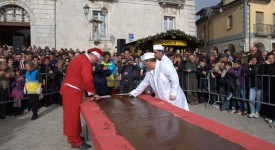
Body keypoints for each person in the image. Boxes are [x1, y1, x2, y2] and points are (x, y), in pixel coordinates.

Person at [60, 47, 102, 149]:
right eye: (97, 60)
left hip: (72, 90)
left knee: (72, 115)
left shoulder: (81, 58)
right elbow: (87, 79)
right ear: (94, 56)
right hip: (72, 91)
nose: (96, 62)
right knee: (72, 116)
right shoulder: (85, 61)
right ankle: (75, 141)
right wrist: (92, 93)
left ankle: (73, 136)